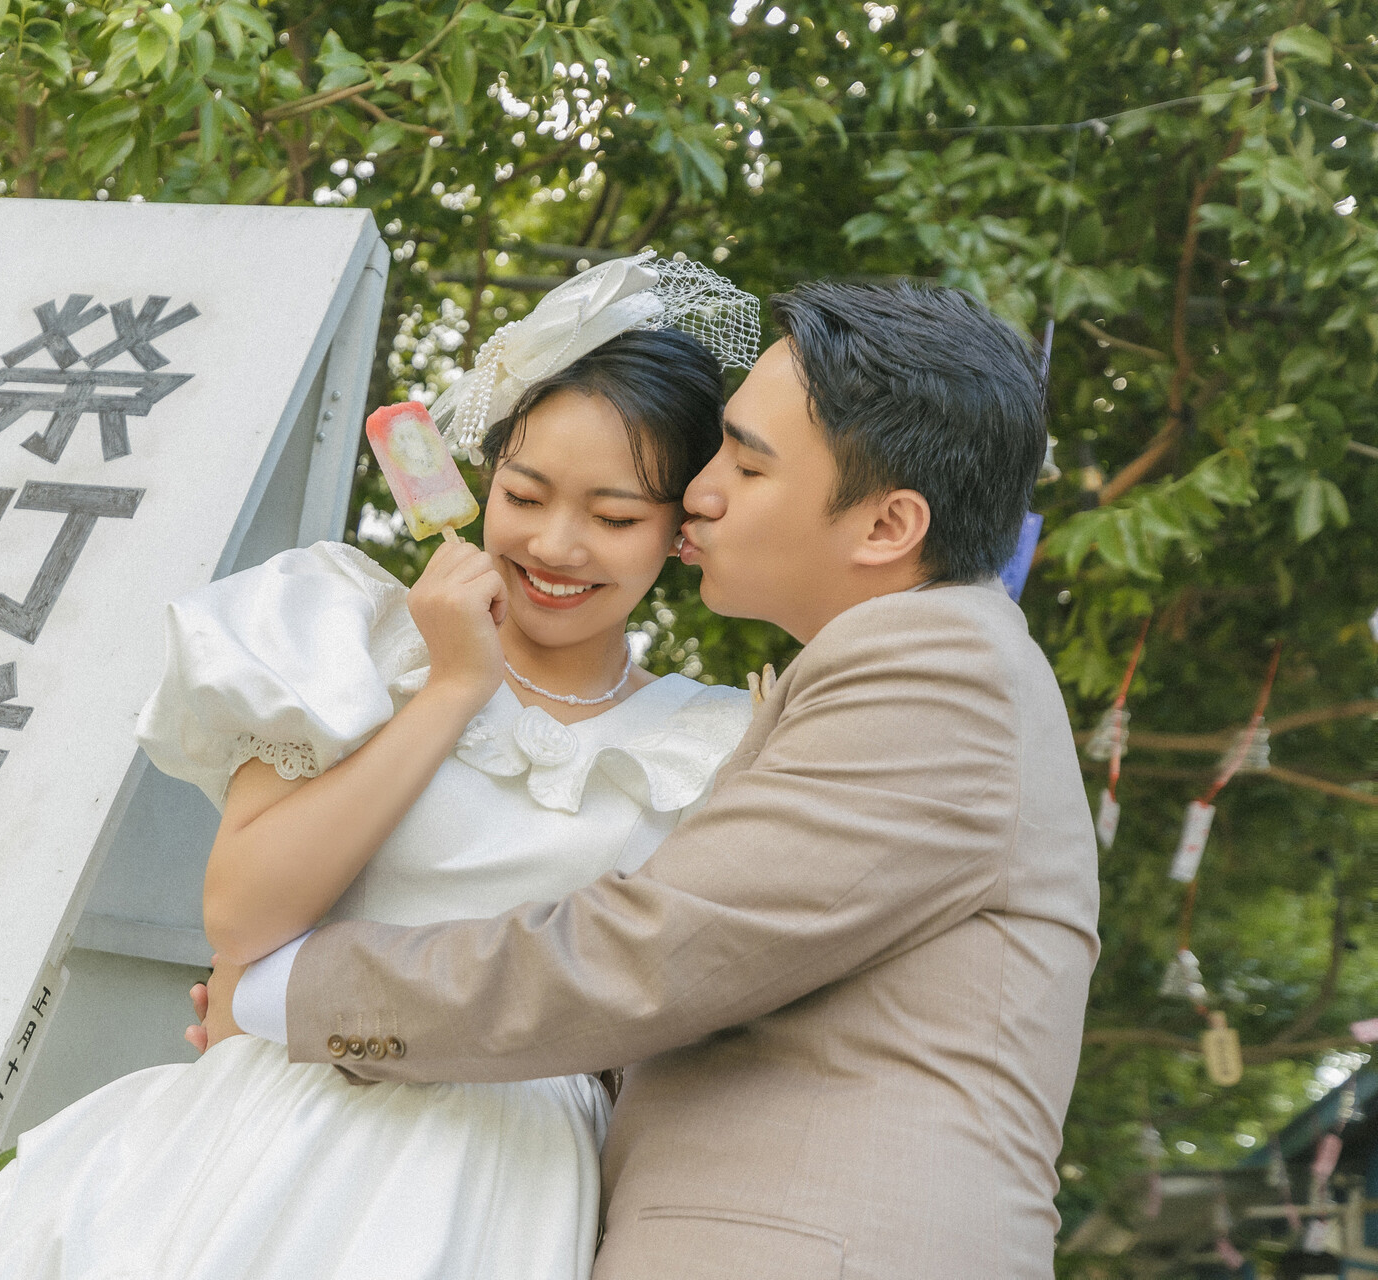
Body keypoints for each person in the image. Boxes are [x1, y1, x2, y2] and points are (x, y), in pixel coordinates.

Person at [203, 281, 1101, 1280]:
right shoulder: (906, 668)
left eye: (746, 465)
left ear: (888, 524)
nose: (702, 495)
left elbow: (652, 954)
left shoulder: (937, 673)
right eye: (525, 494)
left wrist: (283, 993)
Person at [0, 256, 765, 1280]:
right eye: (524, 493)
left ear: (680, 530)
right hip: (275, 1141)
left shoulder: (713, 747)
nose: (555, 543)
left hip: (513, 1190)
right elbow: (242, 917)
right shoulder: (350, 638)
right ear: (477, 480)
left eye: (615, 517)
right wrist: (454, 686)